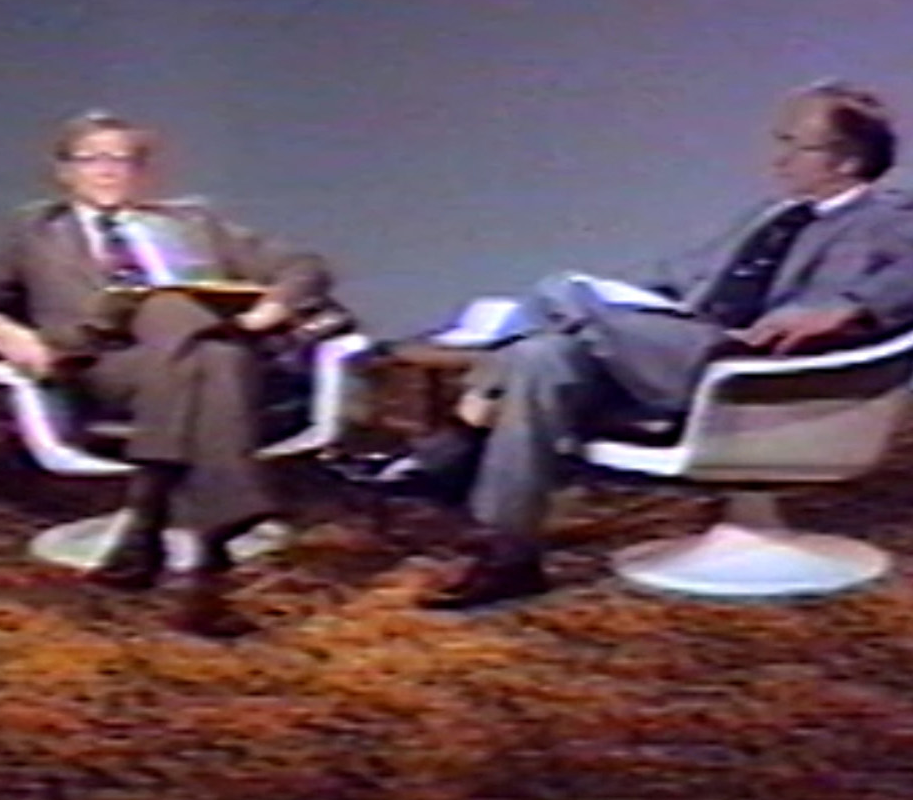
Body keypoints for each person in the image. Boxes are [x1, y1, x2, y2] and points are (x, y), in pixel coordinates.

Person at [326, 80, 913, 609]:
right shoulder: (774, 215)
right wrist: (616, 303)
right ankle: (506, 555)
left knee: (560, 291)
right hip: (684, 348)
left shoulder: (888, 217)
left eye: (794, 144)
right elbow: (678, 277)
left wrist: (853, 305)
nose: (777, 157)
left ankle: (456, 442)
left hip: (756, 369)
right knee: (540, 356)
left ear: (846, 160)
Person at [0, 111, 346, 637]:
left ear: (142, 172)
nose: (107, 169)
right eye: (91, 158)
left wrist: (269, 310)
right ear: (64, 172)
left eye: (122, 159)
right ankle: (206, 543)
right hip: (108, 367)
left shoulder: (194, 223)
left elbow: (305, 266)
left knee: (205, 346)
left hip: (207, 367)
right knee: (197, 335)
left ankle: (153, 518)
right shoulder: (33, 232)